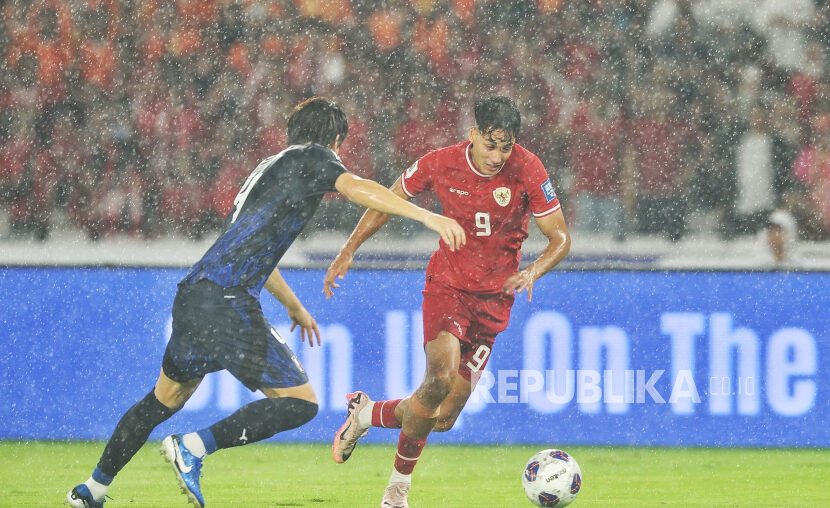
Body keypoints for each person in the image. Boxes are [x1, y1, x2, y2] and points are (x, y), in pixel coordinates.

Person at [65, 97, 466, 508]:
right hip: (227, 299)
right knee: (299, 403)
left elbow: (251, 251)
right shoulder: (314, 157)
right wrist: (427, 217)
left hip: (195, 295)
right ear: (336, 141)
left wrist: (293, 305)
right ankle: (193, 447)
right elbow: (359, 189)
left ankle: (90, 491)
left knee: (163, 399)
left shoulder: (267, 171)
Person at [323, 96, 571, 508]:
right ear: (473, 134)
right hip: (448, 287)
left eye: (505, 147)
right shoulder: (440, 162)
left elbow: (560, 238)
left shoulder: (528, 168)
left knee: (441, 417)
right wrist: (349, 248)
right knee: (437, 380)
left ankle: (365, 414)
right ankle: (397, 492)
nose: (497, 156)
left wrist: (533, 271)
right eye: (490, 144)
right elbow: (387, 201)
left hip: (494, 303)